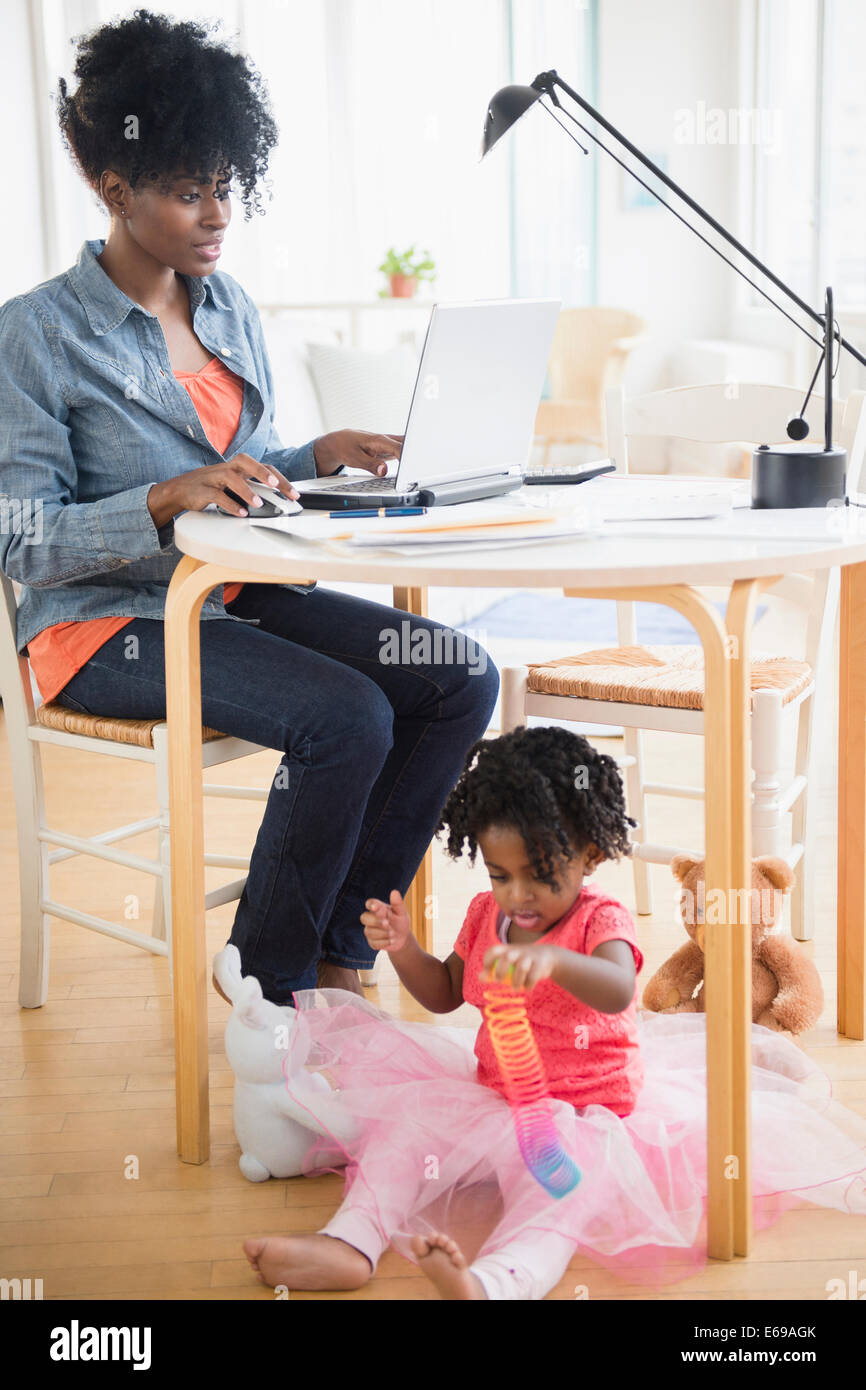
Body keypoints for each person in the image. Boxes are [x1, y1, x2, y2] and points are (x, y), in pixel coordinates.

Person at [0, 10, 498, 1001]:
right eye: (189, 193)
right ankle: (265, 986)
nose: (216, 214)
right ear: (115, 189)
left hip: (228, 592)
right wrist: (157, 499)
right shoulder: (37, 336)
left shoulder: (227, 306)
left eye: (225, 188)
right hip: (106, 627)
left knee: (454, 673)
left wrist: (310, 456)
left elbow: (237, 468)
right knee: (347, 715)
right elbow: (24, 541)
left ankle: (339, 946)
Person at [242, 726, 866, 1300]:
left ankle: (495, 1282)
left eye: (539, 874)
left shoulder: (601, 919)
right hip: (493, 1093)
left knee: (558, 1192)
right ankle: (349, 1242)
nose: (519, 895)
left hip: (586, 1111)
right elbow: (441, 994)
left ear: (590, 854)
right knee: (400, 1142)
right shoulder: (488, 917)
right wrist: (402, 947)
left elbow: (619, 989)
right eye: (499, 874)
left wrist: (557, 965)